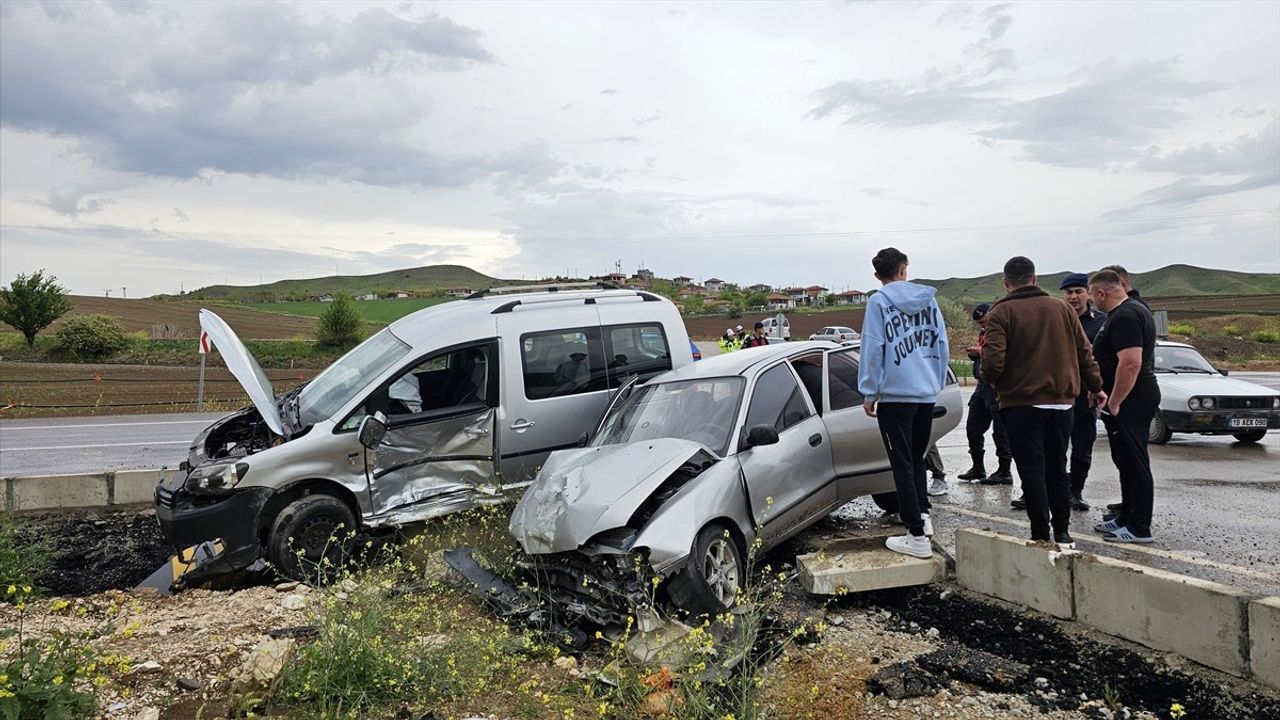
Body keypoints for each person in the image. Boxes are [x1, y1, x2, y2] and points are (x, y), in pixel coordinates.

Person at [981, 257, 1104, 549]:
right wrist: (1096, 386)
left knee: (1032, 470)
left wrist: (996, 383)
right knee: (1057, 468)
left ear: (1005, 282)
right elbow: (1084, 352)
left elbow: (993, 362)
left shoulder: (1001, 312)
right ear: (1035, 279)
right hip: (1063, 404)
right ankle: (1062, 532)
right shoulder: (1062, 308)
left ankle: (1039, 534)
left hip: (1021, 405)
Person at [857, 247, 950, 559]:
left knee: (902, 463)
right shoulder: (929, 300)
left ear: (877, 275)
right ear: (904, 268)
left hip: (896, 396)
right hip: (925, 393)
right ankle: (923, 517)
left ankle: (916, 536)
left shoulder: (878, 301)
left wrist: (869, 392)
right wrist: (934, 382)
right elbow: (941, 342)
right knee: (917, 458)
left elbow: (873, 347)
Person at [1088, 270, 1160, 544]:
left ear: (1101, 293)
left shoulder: (1127, 315)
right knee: (1125, 462)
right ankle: (1126, 516)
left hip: (1132, 398)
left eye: (1093, 296)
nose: (1093, 302)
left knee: (1135, 461)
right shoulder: (1123, 314)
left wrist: (1115, 400)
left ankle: (1140, 527)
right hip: (1125, 398)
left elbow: (1130, 362)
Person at [1061, 273, 1107, 511]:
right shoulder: (1056, 318)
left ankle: (1075, 491)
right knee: (1052, 447)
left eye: (1078, 291)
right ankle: (1043, 491)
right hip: (1058, 392)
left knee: (1081, 447)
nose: (1073, 297)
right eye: (1069, 293)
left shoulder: (1101, 321)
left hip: (1086, 393)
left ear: (1088, 293)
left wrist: (1098, 387)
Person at [958, 303, 1014, 485]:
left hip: (997, 386)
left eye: (984, 321)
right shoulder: (985, 332)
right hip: (981, 386)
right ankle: (978, 467)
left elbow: (1003, 355)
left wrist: (982, 352)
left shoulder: (1004, 330)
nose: (982, 326)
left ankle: (1004, 471)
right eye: (979, 324)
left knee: (1001, 431)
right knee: (973, 429)